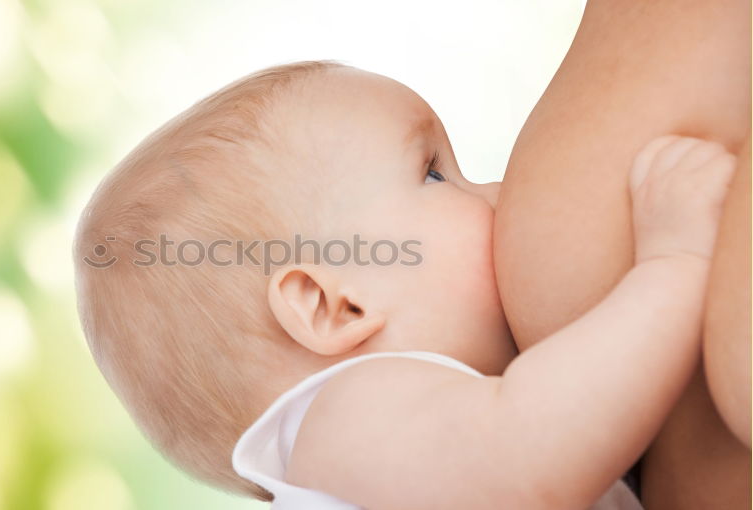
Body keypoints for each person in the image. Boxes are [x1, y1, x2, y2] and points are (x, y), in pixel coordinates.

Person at [73, 62, 736, 508]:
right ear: (332, 306)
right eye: (436, 175)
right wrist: (674, 266)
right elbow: (521, 454)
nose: (501, 191)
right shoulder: (341, 421)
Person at [493, 0, 752, 507]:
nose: (488, 189)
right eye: (432, 173)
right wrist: (672, 263)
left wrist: (675, 265)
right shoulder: (354, 410)